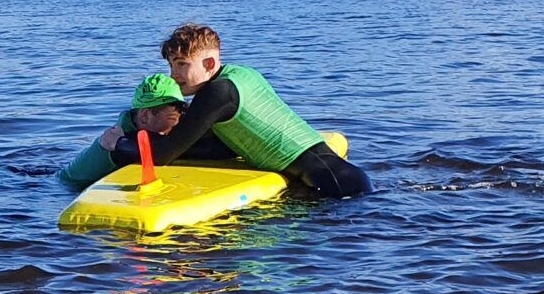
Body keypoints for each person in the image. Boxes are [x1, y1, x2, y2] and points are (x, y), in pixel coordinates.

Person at [67, 23, 371, 198]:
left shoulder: (217, 93)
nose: (174, 75)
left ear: (209, 64)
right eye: (172, 65)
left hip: (331, 186)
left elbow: (163, 155)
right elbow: (219, 147)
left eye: (182, 65)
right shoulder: (241, 75)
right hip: (341, 176)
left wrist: (117, 145)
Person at [57, 73, 200, 188]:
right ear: (144, 115)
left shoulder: (133, 128)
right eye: (176, 113)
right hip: (66, 188)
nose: (180, 120)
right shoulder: (123, 138)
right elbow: (166, 149)